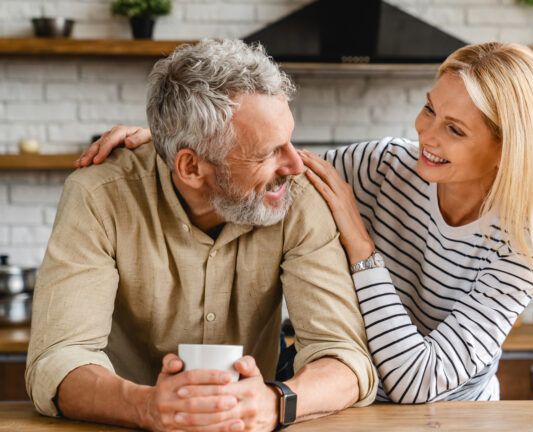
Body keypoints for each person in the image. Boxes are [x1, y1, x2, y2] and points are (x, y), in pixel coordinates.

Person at [78, 42, 533, 403]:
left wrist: (361, 247)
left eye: (453, 129)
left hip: (449, 416)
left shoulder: (522, 246)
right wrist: (172, 138)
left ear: (507, 151)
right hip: (345, 404)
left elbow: (418, 380)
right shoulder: (388, 164)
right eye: (429, 108)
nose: (425, 133)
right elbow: (260, 162)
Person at [26, 39, 377, 432]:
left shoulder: (297, 196)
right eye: (266, 153)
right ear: (191, 167)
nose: (295, 164)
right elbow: (57, 362)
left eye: (289, 140)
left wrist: (275, 403)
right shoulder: (98, 196)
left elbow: (345, 359)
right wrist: (144, 406)